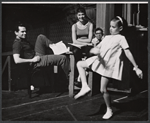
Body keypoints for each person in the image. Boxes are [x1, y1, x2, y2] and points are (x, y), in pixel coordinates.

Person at [74, 16, 143, 119]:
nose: (110, 29)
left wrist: (136, 67)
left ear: (120, 28)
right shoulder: (106, 37)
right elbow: (98, 47)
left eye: (113, 27)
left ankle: (109, 109)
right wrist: (94, 50)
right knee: (79, 64)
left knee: (103, 89)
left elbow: (127, 52)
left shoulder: (121, 38)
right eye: (110, 26)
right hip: (99, 60)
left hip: (108, 66)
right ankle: (85, 86)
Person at [12, 23, 70, 90]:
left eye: (25, 31)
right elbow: (16, 60)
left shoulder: (23, 40)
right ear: (16, 32)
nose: (25, 33)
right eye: (22, 32)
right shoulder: (17, 44)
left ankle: (57, 48)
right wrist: (32, 60)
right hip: (35, 62)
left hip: (36, 55)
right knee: (63, 58)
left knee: (40, 37)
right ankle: (70, 81)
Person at [70, 7, 94, 84]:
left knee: (90, 52)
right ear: (77, 16)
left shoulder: (90, 25)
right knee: (75, 52)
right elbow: (74, 40)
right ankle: (78, 74)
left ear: (85, 14)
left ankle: (85, 71)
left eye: (82, 14)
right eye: (79, 15)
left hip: (87, 45)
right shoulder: (74, 26)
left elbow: (89, 39)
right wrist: (83, 42)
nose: (81, 17)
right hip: (77, 46)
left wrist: (79, 40)